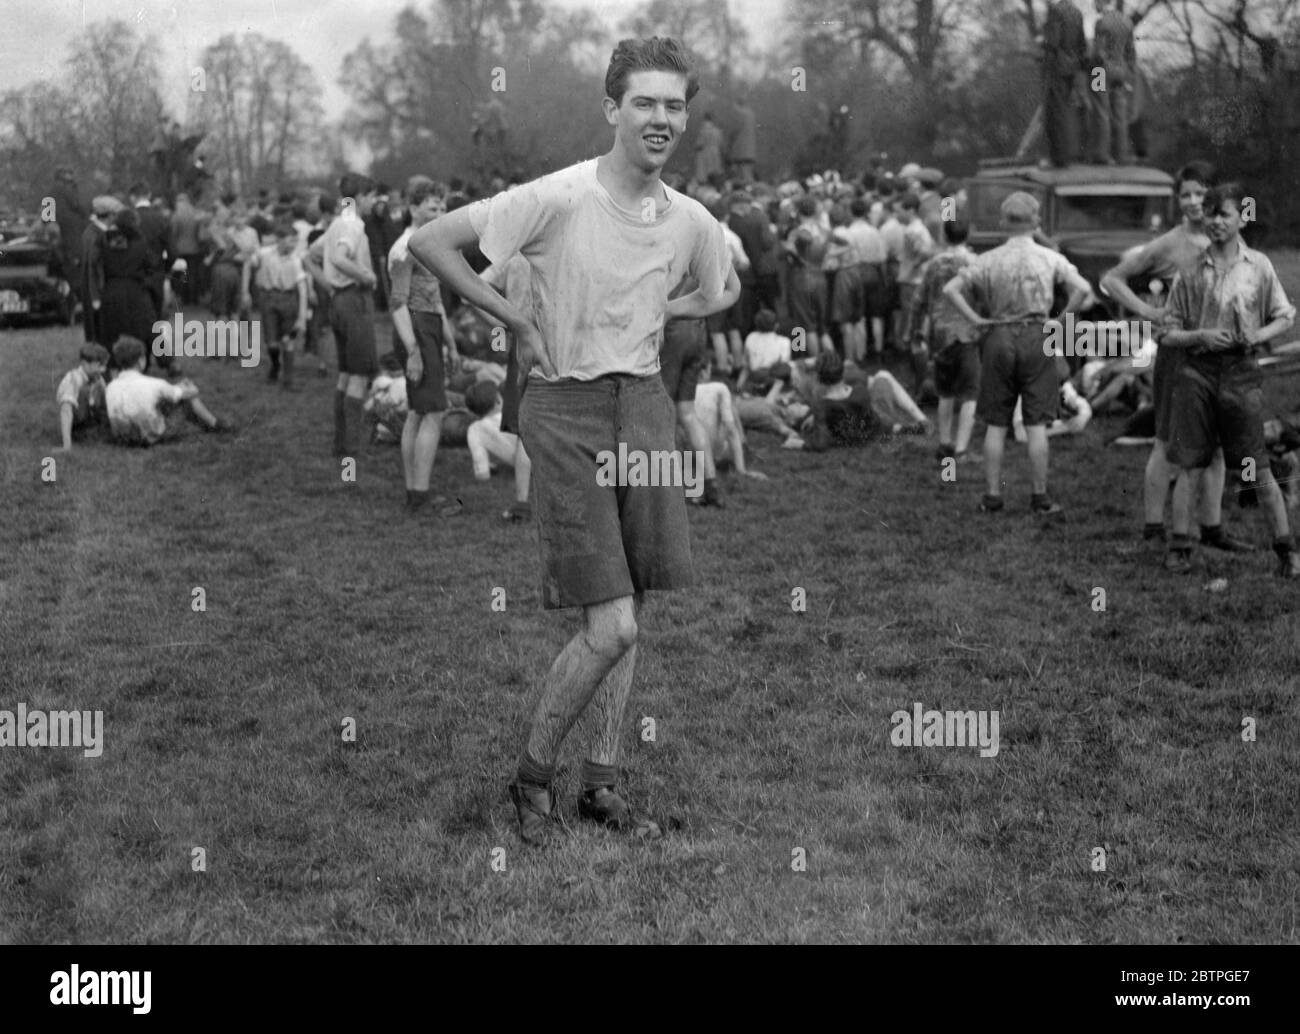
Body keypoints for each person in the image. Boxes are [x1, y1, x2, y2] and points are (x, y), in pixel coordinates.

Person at [409, 36, 739, 846]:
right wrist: (515, 316)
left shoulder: (692, 217)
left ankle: (602, 782)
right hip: (564, 410)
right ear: (612, 109)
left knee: (633, 605)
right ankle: (530, 778)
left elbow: (723, 284)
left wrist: (670, 311)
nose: (661, 119)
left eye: (674, 105)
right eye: (644, 103)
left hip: (646, 408)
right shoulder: (555, 196)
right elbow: (431, 244)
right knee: (613, 624)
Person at [1099, 161, 1251, 551]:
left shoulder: (1232, 240)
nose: (1193, 202)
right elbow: (1112, 279)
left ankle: (1212, 528)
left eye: (1201, 193)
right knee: (1168, 443)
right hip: (1179, 358)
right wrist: (1149, 312)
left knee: (1216, 445)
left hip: (1220, 358)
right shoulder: (1169, 244)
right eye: (1185, 195)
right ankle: (1153, 528)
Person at [1158, 182, 1298, 577]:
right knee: (1190, 463)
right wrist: (1199, 336)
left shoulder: (1260, 267)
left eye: (1226, 214)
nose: (1217, 221)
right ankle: (1181, 546)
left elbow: (1285, 315)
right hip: (1196, 373)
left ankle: (1286, 551)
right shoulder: (1189, 270)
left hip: (1241, 374)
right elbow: (1167, 331)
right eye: (1211, 213)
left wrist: (1260, 335)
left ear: (1241, 218)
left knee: (1256, 464)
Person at [942, 191, 1094, 514]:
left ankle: (993, 497)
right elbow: (1083, 290)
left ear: (1002, 223)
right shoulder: (1050, 258)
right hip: (1038, 335)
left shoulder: (988, 259)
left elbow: (950, 289)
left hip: (999, 334)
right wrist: (1061, 320)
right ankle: (1040, 498)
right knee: (1037, 423)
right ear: (1036, 222)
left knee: (996, 422)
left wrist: (976, 318)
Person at [387, 178, 460, 513]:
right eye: (433, 207)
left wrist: (451, 343)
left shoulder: (429, 243)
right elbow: (398, 303)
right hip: (414, 328)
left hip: (428, 325)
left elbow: (435, 299)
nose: (440, 212)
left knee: (420, 410)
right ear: (413, 209)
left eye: (443, 207)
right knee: (432, 411)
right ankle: (419, 493)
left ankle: (415, 493)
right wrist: (414, 350)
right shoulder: (406, 247)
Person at [306, 174, 381, 457]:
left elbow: (310, 256)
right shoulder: (353, 223)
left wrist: (328, 284)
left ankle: (341, 444)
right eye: (372, 196)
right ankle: (352, 448)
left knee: (346, 374)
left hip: (338, 301)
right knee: (360, 375)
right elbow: (339, 258)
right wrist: (367, 276)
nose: (374, 202)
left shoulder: (337, 222)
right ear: (360, 197)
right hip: (354, 300)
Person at [909, 219, 980, 461]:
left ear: (944, 235)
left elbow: (918, 301)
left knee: (945, 391)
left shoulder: (934, 264)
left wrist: (914, 330)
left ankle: (944, 443)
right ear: (967, 234)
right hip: (967, 332)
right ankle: (961, 450)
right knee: (971, 392)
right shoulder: (974, 263)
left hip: (939, 333)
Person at [104, 336, 230, 444]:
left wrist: (177, 387)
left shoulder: (110, 386)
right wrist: (189, 387)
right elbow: (190, 393)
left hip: (121, 437)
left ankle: (212, 424)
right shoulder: (154, 384)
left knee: (156, 402)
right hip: (148, 437)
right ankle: (214, 424)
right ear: (141, 361)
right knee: (185, 398)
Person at [242, 220, 308, 388]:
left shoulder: (296, 259)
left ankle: (289, 380)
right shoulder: (264, 254)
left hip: (289, 299)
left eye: (296, 240)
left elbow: (302, 288)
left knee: (288, 340)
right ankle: (275, 364)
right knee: (271, 342)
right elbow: (248, 264)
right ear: (279, 240)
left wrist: (301, 317)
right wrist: (245, 291)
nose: (294, 244)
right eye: (291, 240)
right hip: (269, 299)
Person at [91, 208, 159, 369]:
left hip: (111, 290)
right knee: (142, 329)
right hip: (135, 289)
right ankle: (143, 362)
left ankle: (112, 365)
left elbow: (94, 262)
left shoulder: (103, 240)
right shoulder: (141, 242)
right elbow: (152, 264)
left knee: (111, 332)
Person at [464, 380, 533, 519]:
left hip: (525, 468)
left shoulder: (475, 429)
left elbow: (481, 466)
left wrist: (483, 470)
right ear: (498, 400)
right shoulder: (517, 414)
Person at [1042, 0, 1088, 167]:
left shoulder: (1056, 11)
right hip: (1074, 67)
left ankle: (1059, 159)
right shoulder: (1077, 12)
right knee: (1067, 111)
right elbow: (1082, 43)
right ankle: (1070, 155)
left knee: (1056, 113)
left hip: (1058, 67)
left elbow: (1053, 42)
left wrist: (1044, 50)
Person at [1090, 0, 1136, 164]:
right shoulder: (1127, 21)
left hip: (1100, 71)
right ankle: (1121, 155)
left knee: (1100, 111)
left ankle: (1102, 155)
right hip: (1121, 70)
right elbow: (1131, 52)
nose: (1093, 5)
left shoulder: (1101, 22)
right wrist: (1128, 72)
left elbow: (1098, 52)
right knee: (1120, 113)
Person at [56, 343, 110, 450]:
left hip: (92, 420)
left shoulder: (98, 378)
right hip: (77, 425)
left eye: (104, 365)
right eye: (99, 365)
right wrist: (67, 445)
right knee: (85, 390)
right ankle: (81, 434)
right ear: (85, 364)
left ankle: (101, 430)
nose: (103, 369)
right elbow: (66, 410)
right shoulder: (73, 379)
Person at [694, 112, 724, 184]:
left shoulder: (703, 130)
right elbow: (720, 143)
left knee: (704, 173)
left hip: (704, 153)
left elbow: (699, 143)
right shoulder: (717, 130)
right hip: (715, 153)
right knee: (714, 171)